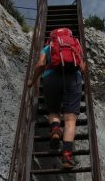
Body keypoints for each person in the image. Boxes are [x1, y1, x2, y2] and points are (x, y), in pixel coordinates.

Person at [27, 29, 86, 169]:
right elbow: (82, 67)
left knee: (53, 110)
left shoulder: (48, 46)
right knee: (70, 119)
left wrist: (33, 80)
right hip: (73, 78)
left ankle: (54, 128)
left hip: (51, 78)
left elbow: (41, 64)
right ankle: (67, 156)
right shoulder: (75, 44)